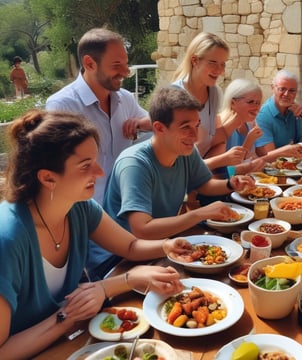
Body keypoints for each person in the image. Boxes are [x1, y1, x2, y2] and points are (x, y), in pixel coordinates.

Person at [0, 110, 191, 358]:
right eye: (86, 165)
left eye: (96, 160)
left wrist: (166, 246)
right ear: (48, 178)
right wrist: (69, 315)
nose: (100, 173)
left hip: (72, 342)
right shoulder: (8, 239)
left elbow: (130, 246)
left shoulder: (79, 206)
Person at [103, 86, 255, 249]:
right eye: (185, 128)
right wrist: (198, 214)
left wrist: (230, 184)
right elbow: (142, 229)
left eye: (196, 125)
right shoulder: (135, 164)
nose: (195, 136)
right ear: (159, 128)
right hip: (119, 258)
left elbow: (204, 185)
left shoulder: (186, 151)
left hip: (163, 244)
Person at [45, 28, 152, 205]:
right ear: (90, 63)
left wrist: (143, 124)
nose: (126, 72)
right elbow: (58, 172)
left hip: (127, 208)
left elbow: (158, 126)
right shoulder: (63, 106)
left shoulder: (125, 98)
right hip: (88, 216)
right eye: (117, 65)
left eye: (126, 64)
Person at [171, 32, 248, 173]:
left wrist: (239, 118)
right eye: (212, 63)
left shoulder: (214, 92)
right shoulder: (176, 96)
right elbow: (179, 165)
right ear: (195, 60)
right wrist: (222, 160)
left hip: (202, 174)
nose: (219, 70)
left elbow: (212, 140)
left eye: (223, 64)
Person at [254, 69, 302, 159]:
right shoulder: (263, 115)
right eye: (282, 89)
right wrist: (290, 149)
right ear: (272, 88)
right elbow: (267, 156)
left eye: (292, 90)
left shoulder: (295, 110)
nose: (286, 94)